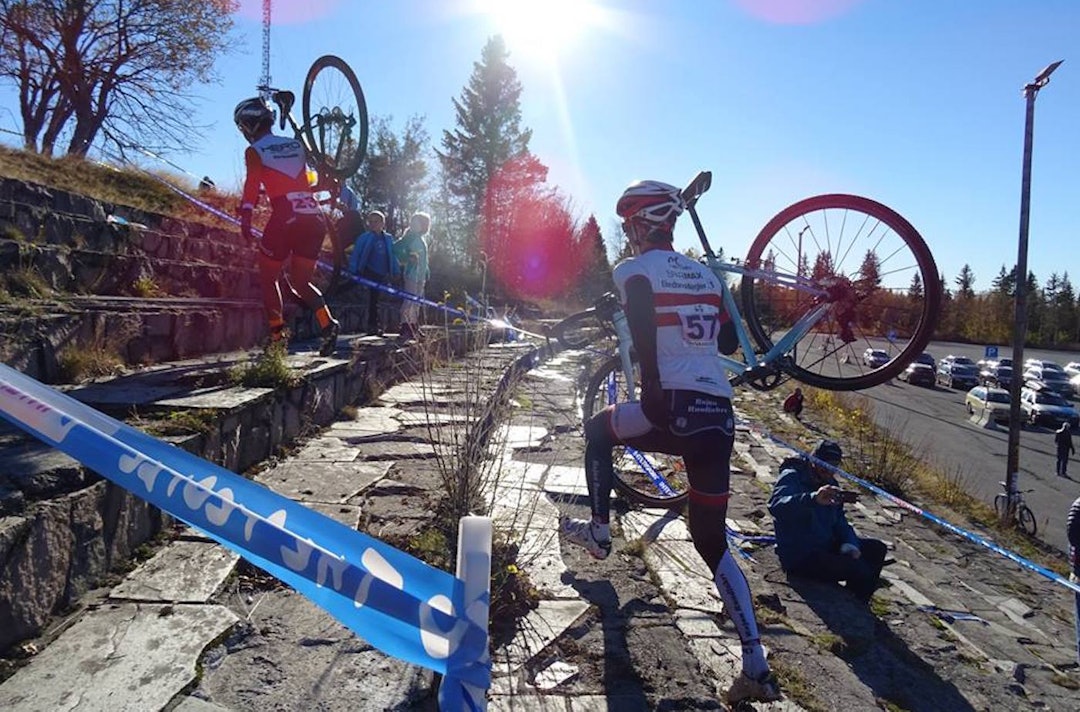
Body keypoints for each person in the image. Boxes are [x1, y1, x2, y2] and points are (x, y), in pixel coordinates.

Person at [560, 180, 781, 705]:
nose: (627, 235)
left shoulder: (635, 271)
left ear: (639, 224)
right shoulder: (704, 275)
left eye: (628, 226)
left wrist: (654, 384)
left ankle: (598, 531)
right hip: (717, 416)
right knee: (711, 542)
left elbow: (638, 316)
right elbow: (726, 341)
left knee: (597, 431)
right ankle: (755, 663)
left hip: (672, 403)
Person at [234, 97, 339, 356]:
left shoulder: (255, 151)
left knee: (269, 278)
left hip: (285, 216)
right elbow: (307, 179)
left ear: (249, 124)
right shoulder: (295, 144)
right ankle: (328, 325)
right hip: (314, 217)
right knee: (302, 283)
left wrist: (246, 215)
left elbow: (251, 186)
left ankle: (277, 338)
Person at [768, 440, 887, 602]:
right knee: (859, 569)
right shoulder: (793, 476)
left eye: (834, 465)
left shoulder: (832, 484)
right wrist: (813, 499)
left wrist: (850, 544)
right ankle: (854, 604)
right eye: (824, 463)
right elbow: (777, 506)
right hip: (801, 554)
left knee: (876, 549)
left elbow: (840, 522)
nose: (828, 469)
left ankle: (858, 601)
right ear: (813, 459)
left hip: (825, 545)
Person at [345, 210, 400, 336]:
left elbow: (393, 256)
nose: (373, 224)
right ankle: (373, 326)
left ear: (383, 223)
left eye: (376, 222)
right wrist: (353, 270)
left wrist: (396, 271)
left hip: (381, 273)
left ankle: (374, 326)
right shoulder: (364, 237)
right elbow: (356, 254)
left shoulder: (388, 239)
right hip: (367, 270)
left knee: (376, 300)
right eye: (371, 222)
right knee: (369, 297)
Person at [393, 212, 431, 342]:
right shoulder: (410, 237)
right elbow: (395, 248)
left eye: (426, 224)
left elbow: (424, 258)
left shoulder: (422, 239)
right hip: (411, 273)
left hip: (420, 276)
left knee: (418, 301)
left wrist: (427, 271)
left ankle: (414, 325)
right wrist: (407, 258)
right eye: (422, 223)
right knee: (409, 299)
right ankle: (405, 325)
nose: (425, 226)